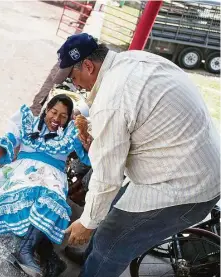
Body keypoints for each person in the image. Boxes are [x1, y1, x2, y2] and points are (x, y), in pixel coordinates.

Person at [57, 33, 220, 277]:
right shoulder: (131, 60)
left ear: (89, 66)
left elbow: (107, 177)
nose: (76, 85)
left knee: (111, 241)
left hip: (184, 187)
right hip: (186, 162)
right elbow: (132, 117)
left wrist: (87, 223)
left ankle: (97, 262)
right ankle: (91, 256)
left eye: (74, 77)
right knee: (110, 207)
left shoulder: (112, 99)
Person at [0, 94, 91, 277]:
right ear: (47, 109)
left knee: (52, 200)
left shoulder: (71, 132)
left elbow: (86, 154)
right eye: (54, 112)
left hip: (52, 178)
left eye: (63, 116)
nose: (57, 119)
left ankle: (26, 248)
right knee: (24, 191)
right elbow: (6, 141)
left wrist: (87, 142)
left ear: (68, 118)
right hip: (22, 172)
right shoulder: (27, 122)